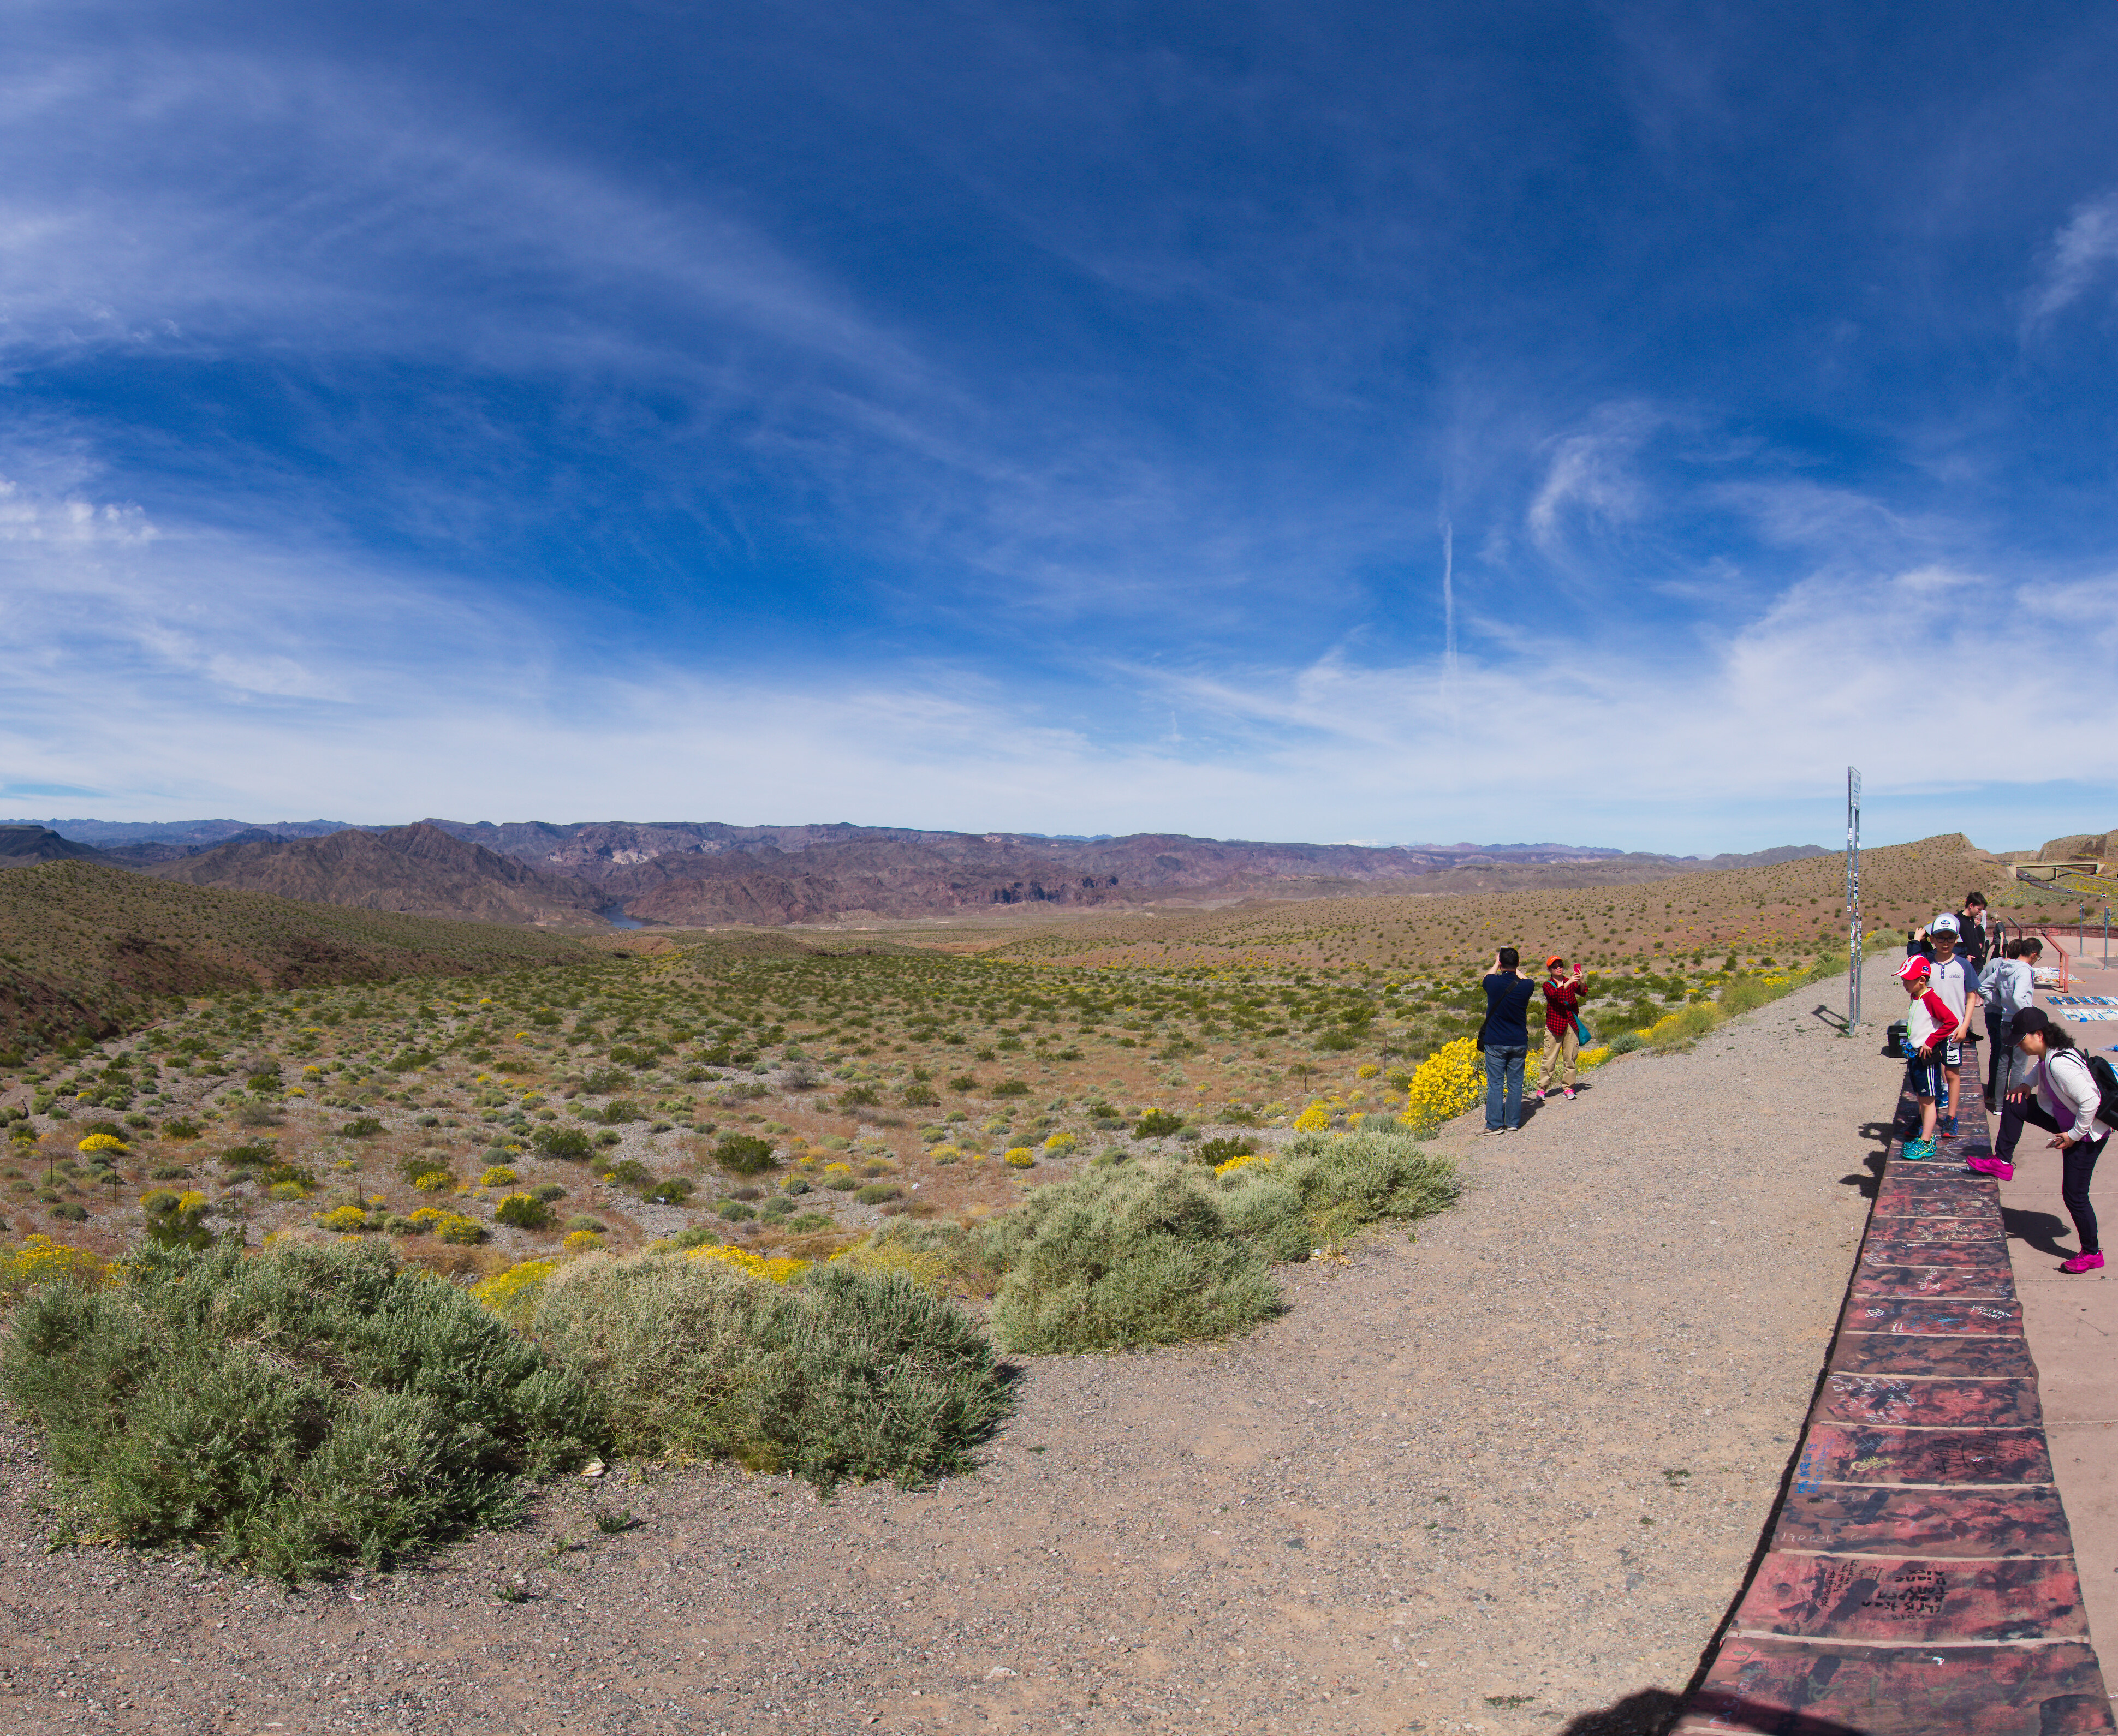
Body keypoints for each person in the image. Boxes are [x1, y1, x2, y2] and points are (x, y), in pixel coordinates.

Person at [1967, 1007, 2112, 1274]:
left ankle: (2092, 1254)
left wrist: (2073, 1136)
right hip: (2064, 1119)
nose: (2020, 1045)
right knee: (2015, 1103)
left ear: (2039, 1035)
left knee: (2075, 1197)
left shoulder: (2061, 1063)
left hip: (2086, 1134)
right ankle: (2002, 1162)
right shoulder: (2051, 1054)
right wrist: (2025, 1085)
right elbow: (2040, 1068)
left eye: (2023, 1039)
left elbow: (2092, 1101)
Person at [1922, 915, 1983, 1136]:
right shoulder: (1925, 963)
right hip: (1929, 1030)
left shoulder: (1963, 965)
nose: (1945, 942)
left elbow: (1971, 996)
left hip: (1954, 1031)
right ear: (1933, 939)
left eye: (1950, 938)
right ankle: (1928, 1116)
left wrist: (1965, 1026)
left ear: (1956, 939)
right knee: (1929, 1073)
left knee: (1952, 1074)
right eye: (1940, 938)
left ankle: (1951, 1117)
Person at [1896, 956, 1956, 1161]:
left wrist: (1931, 1041)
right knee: (1922, 1099)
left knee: (1929, 1101)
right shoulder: (1916, 996)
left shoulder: (1931, 999)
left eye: (1907, 979)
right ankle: (1924, 1134)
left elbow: (1951, 1021)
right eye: (1903, 979)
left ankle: (1927, 1140)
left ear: (1922, 980)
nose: (1904, 983)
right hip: (1916, 1056)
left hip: (1928, 1058)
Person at [1478, 947, 1536, 1135]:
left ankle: (1494, 1125)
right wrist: (1514, 968)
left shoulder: (1493, 983)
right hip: (1518, 1041)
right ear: (1518, 964)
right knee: (1515, 1083)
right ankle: (1512, 1123)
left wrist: (1497, 963)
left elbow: (1487, 976)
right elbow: (1525, 979)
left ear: (1501, 964)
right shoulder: (1527, 986)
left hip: (1496, 1042)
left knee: (1495, 1084)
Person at [1978, 937, 2039, 1111]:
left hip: (2005, 1020)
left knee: (2003, 1064)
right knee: (2018, 1066)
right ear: (2034, 955)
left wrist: (1999, 1001)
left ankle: (1998, 1105)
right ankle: (2012, 1105)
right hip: (2020, 1023)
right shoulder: (2025, 970)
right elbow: (2018, 997)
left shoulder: (2003, 967)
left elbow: (1982, 987)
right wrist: (2030, 1016)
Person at [1533, 956, 1584, 1102]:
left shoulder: (1570, 981)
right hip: (1554, 1026)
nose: (1558, 968)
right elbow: (1555, 995)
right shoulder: (1548, 985)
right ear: (1550, 969)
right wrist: (1568, 983)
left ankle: (1568, 1087)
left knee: (1571, 1058)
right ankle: (1542, 1089)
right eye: (1554, 966)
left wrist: (1581, 980)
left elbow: (1583, 992)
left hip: (1571, 1024)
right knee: (1549, 1059)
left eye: (1560, 965)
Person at [1954, 891, 1993, 973]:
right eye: (1979, 909)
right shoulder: (1958, 921)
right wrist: (1965, 956)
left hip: (1977, 965)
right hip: (1968, 966)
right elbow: (1954, 943)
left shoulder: (1971, 920)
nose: (1980, 912)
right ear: (1971, 905)